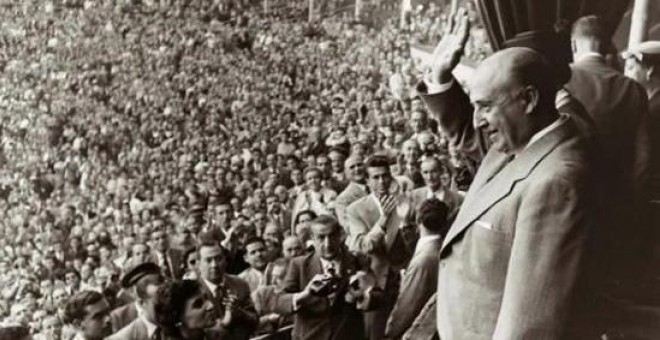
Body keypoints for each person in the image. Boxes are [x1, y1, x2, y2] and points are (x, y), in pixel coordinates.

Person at [418, 11, 596, 339]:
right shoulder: (525, 135)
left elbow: (528, 324)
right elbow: (474, 138)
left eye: (485, 106)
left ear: (528, 98)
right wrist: (440, 77)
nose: (477, 120)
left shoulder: (556, 183)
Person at [567, 15, 651, 291]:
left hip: (567, 206)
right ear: (605, 47)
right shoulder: (634, 90)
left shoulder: (561, 81)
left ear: (574, 46)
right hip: (616, 211)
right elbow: (643, 162)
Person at [346, 155, 414, 340]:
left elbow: (414, 243)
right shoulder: (356, 209)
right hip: (375, 286)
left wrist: (406, 221)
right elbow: (363, 246)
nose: (382, 181)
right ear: (367, 181)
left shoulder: (405, 202)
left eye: (385, 176)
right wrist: (382, 221)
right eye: (375, 177)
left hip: (406, 281)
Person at [274, 215, 370, 340]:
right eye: (321, 237)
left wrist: (364, 295)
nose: (327, 243)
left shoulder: (357, 260)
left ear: (340, 236)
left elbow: (378, 298)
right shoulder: (299, 265)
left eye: (332, 236)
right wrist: (305, 294)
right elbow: (279, 302)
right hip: (310, 336)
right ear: (312, 239)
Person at [384, 199, 448, 340]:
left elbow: (407, 307)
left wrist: (390, 331)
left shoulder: (423, 260)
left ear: (418, 220)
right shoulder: (440, 248)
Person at [196, 236, 258, 339]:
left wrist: (239, 312)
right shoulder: (193, 292)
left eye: (218, 258)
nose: (214, 265)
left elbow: (255, 320)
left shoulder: (239, 284)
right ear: (198, 264)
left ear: (225, 260)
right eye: (208, 260)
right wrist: (225, 321)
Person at [106, 262, 165, 340]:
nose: (142, 290)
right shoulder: (118, 317)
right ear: (130, 291)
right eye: (140, 285)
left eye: (154, 282)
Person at [153, 280, 223, 340]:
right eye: (198, 304)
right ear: (177, 317)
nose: (211, 305)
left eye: (206, 298)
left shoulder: (217, 336)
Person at [407, 156, 463, 224]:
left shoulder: (457, 199)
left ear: (441, 171)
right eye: (425, 172)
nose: (430, 177)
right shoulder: (413, 196)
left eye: (433, 171)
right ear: (421, 174)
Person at [333, 154, 369, 231]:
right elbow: (347, 225)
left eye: (359, 165)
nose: (357, 169)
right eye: (352, 167)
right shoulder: (343, 199)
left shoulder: (377, 186)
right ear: (346, 173)